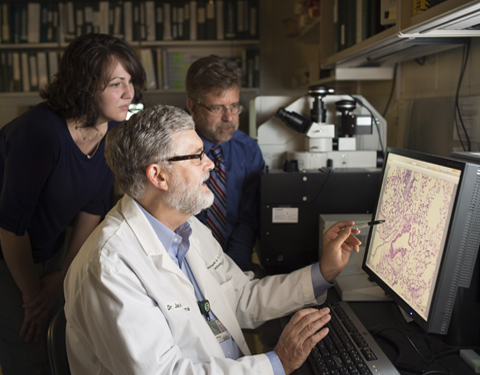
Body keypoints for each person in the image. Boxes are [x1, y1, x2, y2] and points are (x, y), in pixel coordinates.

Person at [64, 104, 361, 375]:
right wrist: (277, 363)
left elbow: (241, 298)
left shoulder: (186, 227)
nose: (210, 164)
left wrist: (323, 272)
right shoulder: (110, 266)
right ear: (158, 176)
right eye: (196, 156)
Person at [0, 33, 146, 375]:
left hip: (53, 249)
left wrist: (61, 277)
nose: (130, 94)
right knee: (27, 351)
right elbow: (10, 228)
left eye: (130, 82)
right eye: (116, 84)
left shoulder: (108, 132)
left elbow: (92, 210)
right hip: (8, 256)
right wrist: (35, 295)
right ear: (84, 87)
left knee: (60, 345)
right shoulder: (40, 134)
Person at [186, 55, 265, 271]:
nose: (229, 118)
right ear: (193, 107)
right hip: (187, 263)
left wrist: (234, 272)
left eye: (235, 107)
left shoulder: (248, 150)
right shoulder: (176, 152)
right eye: (218, 108)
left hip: (235, 263)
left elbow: (248, 220)